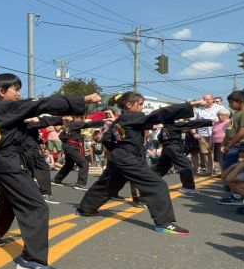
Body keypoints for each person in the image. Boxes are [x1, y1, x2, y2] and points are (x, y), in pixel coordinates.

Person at [0, 73, 100, 269]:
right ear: (2, 92)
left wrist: (60, 118)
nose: (19, 93)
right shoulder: (6, 107)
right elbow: (42, 104)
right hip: (11, 165)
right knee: (36, 207)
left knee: (9, 203)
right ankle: (32, 260)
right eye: (15, 89)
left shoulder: (3, 111)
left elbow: (35, 122)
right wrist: (83, 99)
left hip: (7, 164)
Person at [76, 92, 204, 235]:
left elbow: (107, 139)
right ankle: (164, 223)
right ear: (129, 105)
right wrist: (190, 104)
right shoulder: (133, 117)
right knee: (157, 185)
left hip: (118, 156)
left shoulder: (119, 120)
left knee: (108, 184)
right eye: (141, 104)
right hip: (127, 157)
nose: (142, 107)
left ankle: (86, 208)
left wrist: (118, 151)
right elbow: (159, 113)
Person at [153, 118, 213, 194]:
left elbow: (159, 138)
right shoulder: (174, 125)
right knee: (186, 167)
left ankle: (146, 180)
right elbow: (191, 123)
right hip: (174, 149)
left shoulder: (165, 127)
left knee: (161, 168)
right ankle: (188, 187)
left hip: (167, 149)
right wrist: (210, 121)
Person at [52, 116, 106, 190]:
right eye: (81, 117)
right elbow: (88, 124)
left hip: (68, 146)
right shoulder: (76, 123)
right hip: (71, 146)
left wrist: (67, 142)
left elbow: (60, 136)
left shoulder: (69, 126)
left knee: (69, 164)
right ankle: (80, 184)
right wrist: (102, 122)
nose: (82, 119)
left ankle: (57, 180)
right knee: (84, 163)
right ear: (77, 117)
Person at [190, 94, 221, 175]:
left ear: (212, 99)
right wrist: (194, 133)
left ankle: (218, 169)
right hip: (203, 133)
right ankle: (209, 170)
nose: (205, 101)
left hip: (217, 134)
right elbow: (192, 122)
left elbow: (227, 118)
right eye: (204, 99)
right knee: (206, 152)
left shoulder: (219, 108)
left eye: (207, 99)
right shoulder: (198, 109)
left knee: (216, 152)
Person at [211, 108, 230, 176]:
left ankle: (226, 172)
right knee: (217, 158)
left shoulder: (230, 122)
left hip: (225, 142)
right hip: (216, 142)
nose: (220, 117)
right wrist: (211, 142)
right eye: (218, 115)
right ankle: (219, 172)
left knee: (224, 158)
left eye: (222, 115)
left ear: (227, 116)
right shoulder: (215, 123)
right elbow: (212, 133)